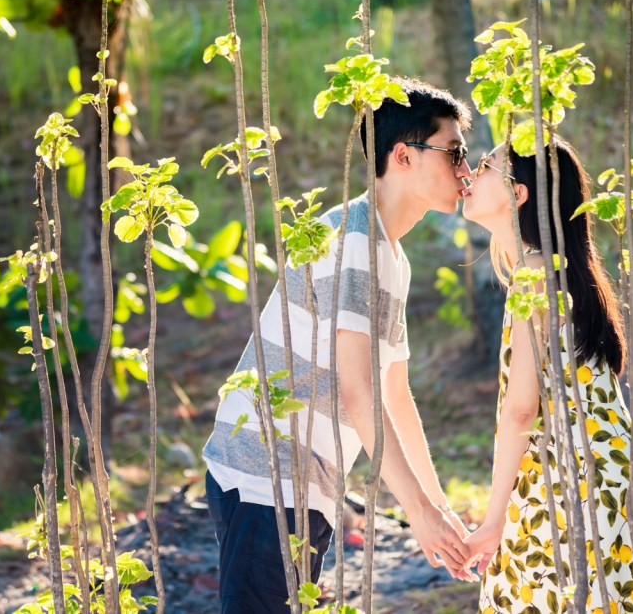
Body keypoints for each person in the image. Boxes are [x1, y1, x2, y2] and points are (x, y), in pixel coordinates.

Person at [202, 77, 476, 613]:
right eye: (454, 152)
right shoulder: (356, 238)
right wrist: (418, 513)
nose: (465, 171)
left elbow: (395, 393)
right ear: (404, 156)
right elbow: (359, 390)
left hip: (303, 485)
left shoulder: (389, 255)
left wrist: (437, 507)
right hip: (268, 477)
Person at [460, 136, 633, 613]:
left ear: (518, 193)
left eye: (484, 166)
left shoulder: (533, 278)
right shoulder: (564, 272)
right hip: (616, 473)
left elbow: (520, 410)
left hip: (573, 485)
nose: (468, 174)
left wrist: (493, 519)